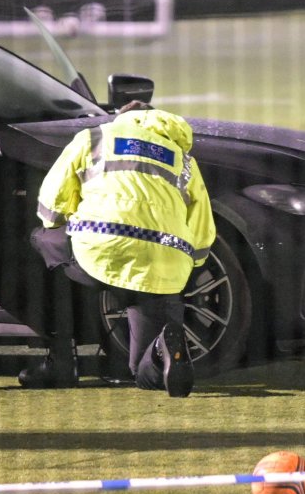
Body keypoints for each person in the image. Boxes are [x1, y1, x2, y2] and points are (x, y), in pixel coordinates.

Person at [22, 101, 215, 397]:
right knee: (141, 372)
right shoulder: (184, 160)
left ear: (120, 117)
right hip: (162, 268)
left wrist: (67, 224)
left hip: (100, 251)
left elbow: (52, 205)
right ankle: (162, 347)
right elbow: (202, 233)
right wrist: (186, 267)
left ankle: (60, 358)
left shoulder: (93, 138)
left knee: (41, 241)